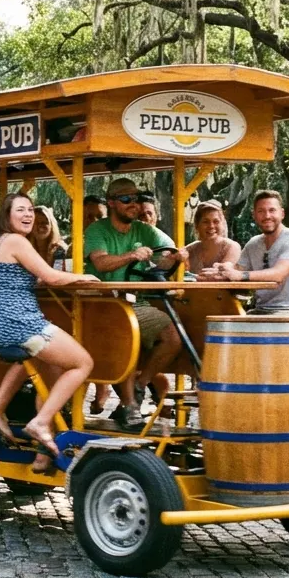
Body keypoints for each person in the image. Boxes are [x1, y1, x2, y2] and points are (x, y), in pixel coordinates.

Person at [0, 192, 97, 460]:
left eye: (30, 210)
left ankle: (41, 448)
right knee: (82, 363)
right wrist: (83, 276)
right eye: (20, 210)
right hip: (19, 325)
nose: (28, 215)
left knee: (52, 367)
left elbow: (21, 279)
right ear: (7, 216)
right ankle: (41, 422)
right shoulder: (16, 241)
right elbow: (52, 277)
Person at [85, 177, 185, 430]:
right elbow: (100, 263)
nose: (134, 204)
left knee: (173, 335)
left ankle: (141, 386)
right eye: (126, 199)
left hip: (135, 303)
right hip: (103, 303)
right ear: (111, 203)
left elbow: (167, 253)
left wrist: (176, 257)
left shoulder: (144, 230)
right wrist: (131, 256)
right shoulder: (98, 230)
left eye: (136, 199)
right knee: (126, 337)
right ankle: (130, 406)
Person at [202, 190, 289, 315]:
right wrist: (221, 270)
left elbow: (278, 274)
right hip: (262, 310)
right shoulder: (253, 243)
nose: (267, 216)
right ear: (254, 215)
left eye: (272, 210)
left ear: (282, 213)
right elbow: (237, 269)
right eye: (261, 211)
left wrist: (241, 275)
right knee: (216, 322)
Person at [185, 200, 241, 274]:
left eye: (216, 221)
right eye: (205, 222)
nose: (211, 226)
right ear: (197, 225)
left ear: (223, 224)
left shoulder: (231, 247)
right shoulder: (190, 249)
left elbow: (223, 276)